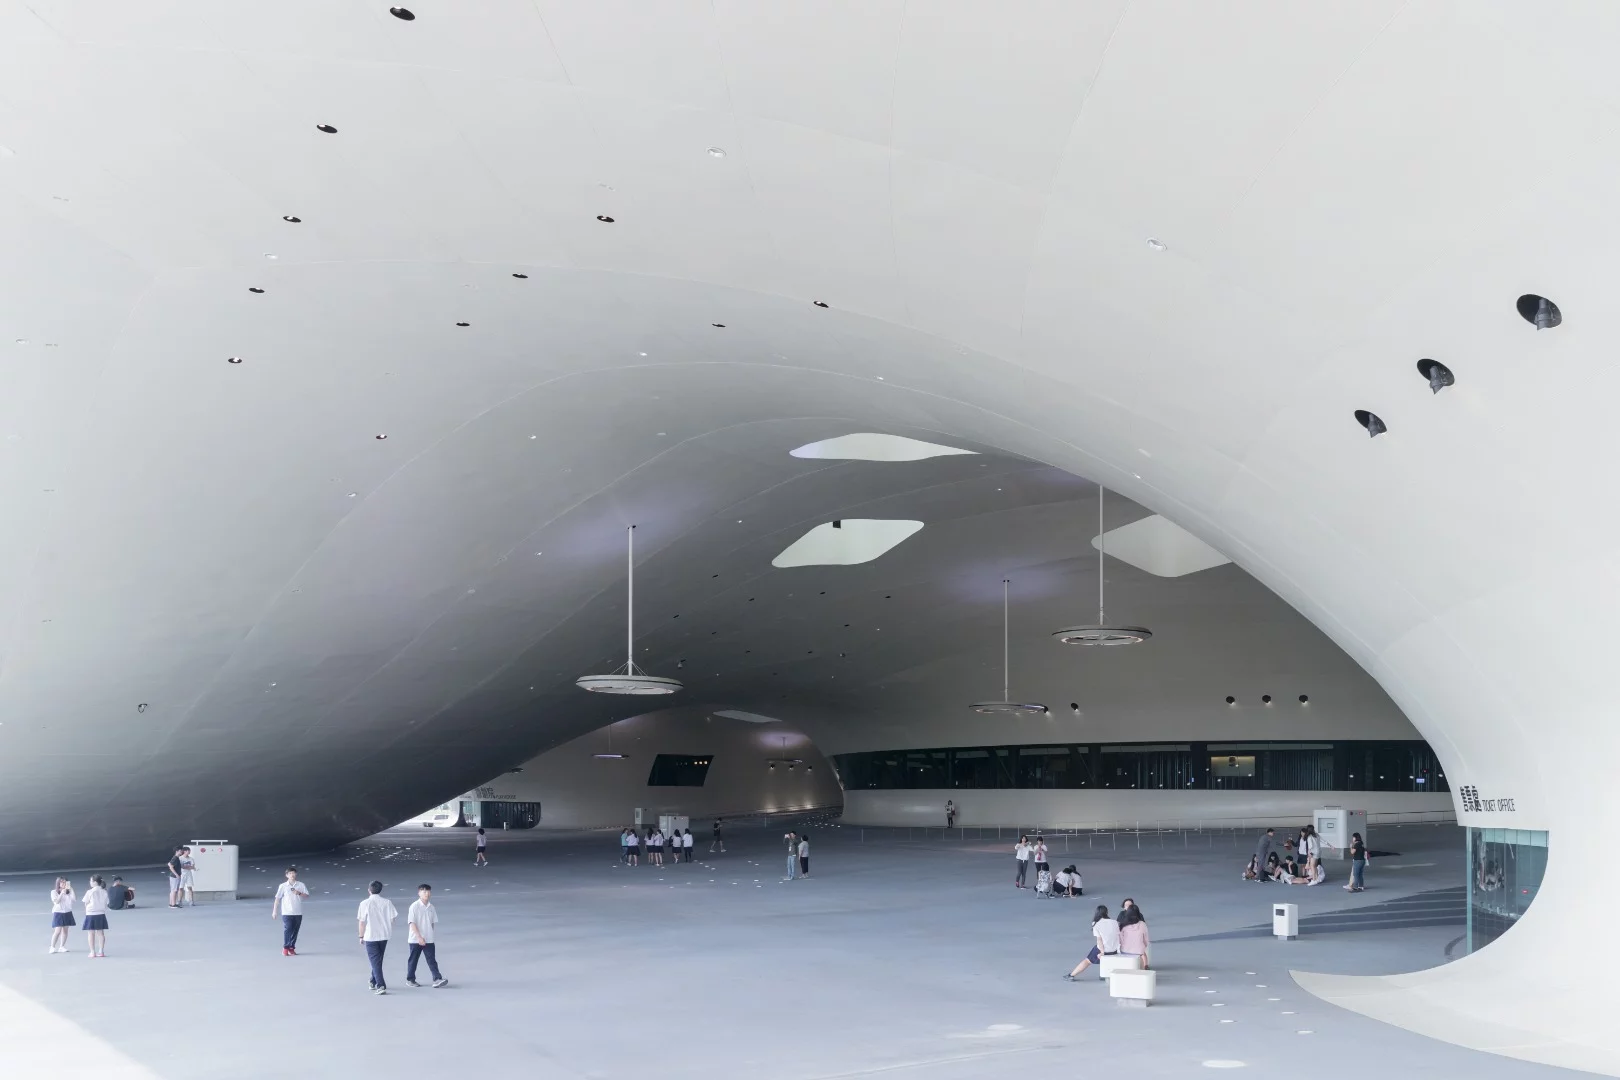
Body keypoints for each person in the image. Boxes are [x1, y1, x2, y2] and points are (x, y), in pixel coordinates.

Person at [357, 880, 398, 995]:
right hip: (384, 934)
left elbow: (361, 922)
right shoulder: (387, 902)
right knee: (378, 960)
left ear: (369, 890)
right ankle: (373, 980)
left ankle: (380, 985)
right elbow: (393, 918)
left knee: (375, 960)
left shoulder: (364, 903)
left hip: (370, 935)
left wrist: (361, 935)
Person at [406, 883, 448, 988]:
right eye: (424, 891)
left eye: (428, 891)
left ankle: (437, 978)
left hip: (429, 939)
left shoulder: (431, 907)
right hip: (415, 939)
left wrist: (430, 934)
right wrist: (419, 937)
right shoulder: (414, 906)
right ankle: (410, 979)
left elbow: (432, 923)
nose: (427, 893)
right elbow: (412, 923)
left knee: (431, 959)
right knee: (413, 960)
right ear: (419, 893)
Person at [1064, 905, 1120, 980]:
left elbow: (1099, 940)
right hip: (1114, 949)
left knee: (1087, 960)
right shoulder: (1114, 922)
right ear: (1107, 912)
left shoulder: (1096, 924)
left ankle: (1072, 975)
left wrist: (1102, 952)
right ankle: (1103, 974)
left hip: (1104, 949)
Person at [272, 866, 310, 955]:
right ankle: (285, 947)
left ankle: (292, 947)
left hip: (298, 912)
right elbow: (277, 898)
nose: (292, 875)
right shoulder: (283, 886)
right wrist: (274, 911)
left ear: (296, 874)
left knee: (295, 930)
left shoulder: (301, 885)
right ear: (287, 875)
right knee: (288, 929)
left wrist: (299, 893)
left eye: (293, 873)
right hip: (287, 912)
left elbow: (307, 895)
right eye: (290, 873)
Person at [82, 875, 109, 958]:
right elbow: (107, 903)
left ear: (95, 882)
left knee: (91, 933)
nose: (90, 882)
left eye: (91, 881)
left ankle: (92, 952)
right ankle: (101, 951)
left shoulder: (89, 892)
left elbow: (85, 902)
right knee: (101, 933)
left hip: (91, 914)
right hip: (101, 913)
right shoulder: (104, 891)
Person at [49, 878, 76, 954]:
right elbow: (56, 901)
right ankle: (52, 947)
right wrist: (61, 893)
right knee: (57, 931)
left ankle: (62, 946)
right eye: (61, 882)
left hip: (67, 912)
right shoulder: (53, 892)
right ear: (58, 883)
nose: (63, 884)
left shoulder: (69, 892)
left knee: (65, 930)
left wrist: (71, 889)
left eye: (65, 882)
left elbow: (74, 899)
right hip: (58, 912)